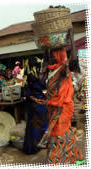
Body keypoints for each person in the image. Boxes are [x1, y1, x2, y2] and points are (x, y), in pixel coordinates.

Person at [37, 28, 83, 164]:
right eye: (50, 56)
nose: (50, 58)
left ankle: (55, 159)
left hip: (63, 108)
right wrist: (46, 44)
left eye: (53, 55)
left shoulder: (64, 69)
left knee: (59, 132)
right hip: (52, 107)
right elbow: (45, 60)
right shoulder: (49, 70)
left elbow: (74, 61)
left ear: (59, 56)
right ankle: (71, 155)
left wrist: (72, 40)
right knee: (59, 132)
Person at [23, 73, 48, 154]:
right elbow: (27, 93)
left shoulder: (39, 77)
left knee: (40, 124)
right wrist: (36, 100)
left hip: (39, 104)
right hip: (35, 106)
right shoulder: (29, 78)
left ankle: (40, 144)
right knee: (34, 125)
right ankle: (34, 146)